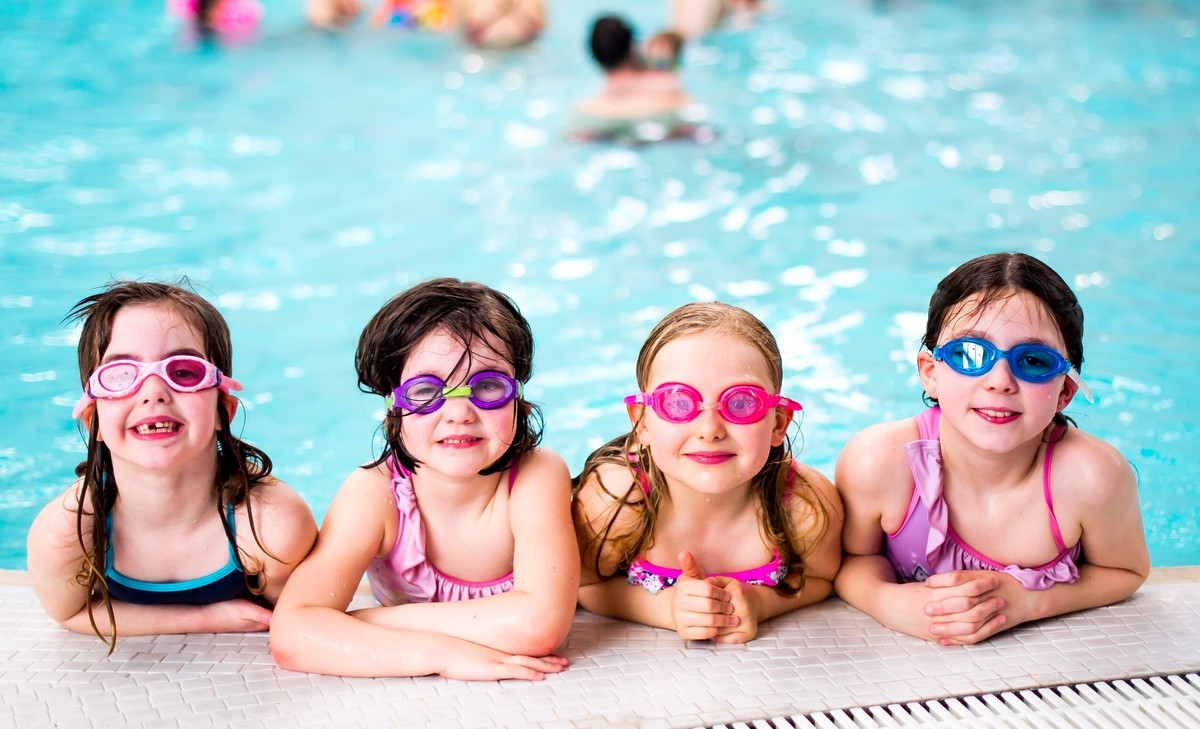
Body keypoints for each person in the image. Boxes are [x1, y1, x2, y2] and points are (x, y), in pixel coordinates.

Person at [269, 278, 578, 680]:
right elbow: (293, 633)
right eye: (425, 392)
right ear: (390, 410)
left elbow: (540, 626)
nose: (459, 413)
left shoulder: (537, 475)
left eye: (487, 386)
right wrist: (444, 656)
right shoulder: (375, 494)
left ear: (518, 397)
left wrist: (368, 623)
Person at [835, 252, 1149, 646]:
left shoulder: (1092, 477)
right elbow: (851, 561)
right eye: (970, 354)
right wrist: (888, 601)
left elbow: (1126, 572)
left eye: (1032, 361)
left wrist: (1027, 602)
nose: (1000, 381)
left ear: (1064, 392)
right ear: (931, 373)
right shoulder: (879, 462)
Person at [26, 281, 317, 653]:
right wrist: (204, 619)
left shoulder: (269, 526)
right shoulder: (67, 534)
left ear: (221, 411)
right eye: (120, 375)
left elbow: (302, 617)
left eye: (183, 371)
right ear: (92, 420)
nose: (153, 391)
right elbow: (70, 614)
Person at [573, 302, 842, 643]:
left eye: (742, 403)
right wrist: (665, 608)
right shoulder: (615, 501)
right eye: (678, 402)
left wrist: (760, 603)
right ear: (641, 421)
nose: (710, 430)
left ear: (778, 423)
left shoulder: (805, 506)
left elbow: (824, 581)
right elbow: (583, 585)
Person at [573, 15, 694, 142]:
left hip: (603, 126)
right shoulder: (669, 87)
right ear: (632, 49)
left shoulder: (587, 109)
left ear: (596, 59)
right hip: (664, 123)